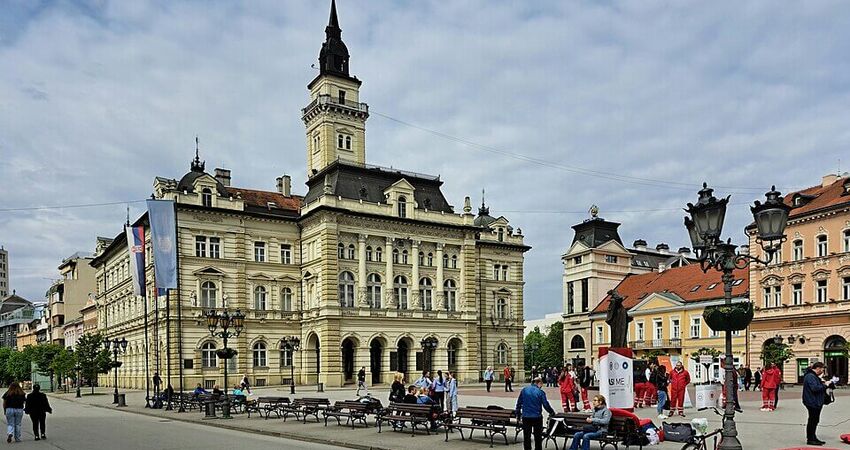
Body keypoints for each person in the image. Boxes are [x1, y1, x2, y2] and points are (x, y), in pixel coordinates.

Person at [516, 376, 555, 450]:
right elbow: (546, 404)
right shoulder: (540, 392)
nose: (541, 387)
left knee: (526, 436)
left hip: (526, 416)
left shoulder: (524, 390)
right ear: (539, 383)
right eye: (541, 384)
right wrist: (552, 412)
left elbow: (519, 403)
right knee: (537, 436)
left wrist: (518, 414)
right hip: (537, 417)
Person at [802, 361, 832, 446]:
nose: (823, 371)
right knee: (812, 420)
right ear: (818, 368)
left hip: (814, 401)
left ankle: (813, 437)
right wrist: (826, 385)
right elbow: (815, 388)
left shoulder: (812, 376)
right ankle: (810, 439)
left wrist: (823, 383)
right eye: (822, 369)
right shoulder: (810, 376)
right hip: (812, 402)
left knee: (814, 420)